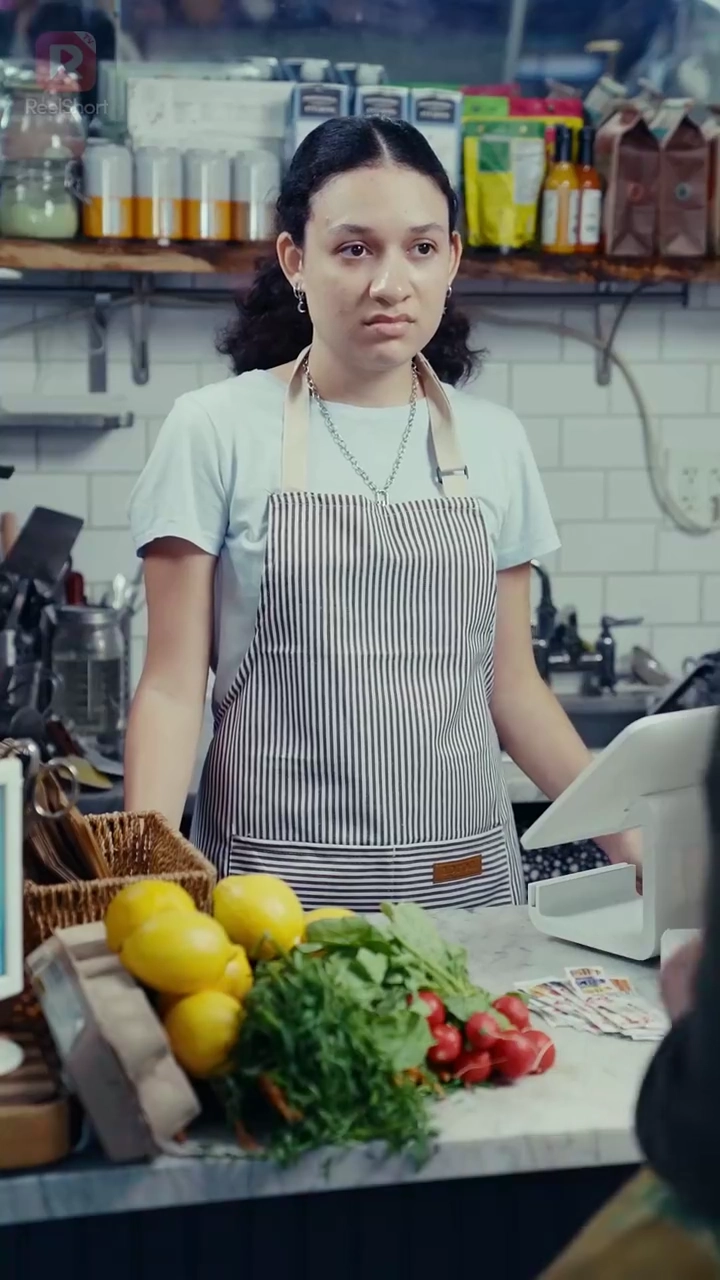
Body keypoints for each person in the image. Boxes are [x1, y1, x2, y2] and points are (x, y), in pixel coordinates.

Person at [126, 115, 639, 910]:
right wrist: (140, 886)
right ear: (296, 259)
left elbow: (514, 689)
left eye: (421, 248)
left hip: (464, 888)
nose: (390, 283)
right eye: (355, 248)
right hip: (271, 893)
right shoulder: (214, 429)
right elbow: (169, 688)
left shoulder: (496, 442)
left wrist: (636, 844)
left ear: (452, 261)